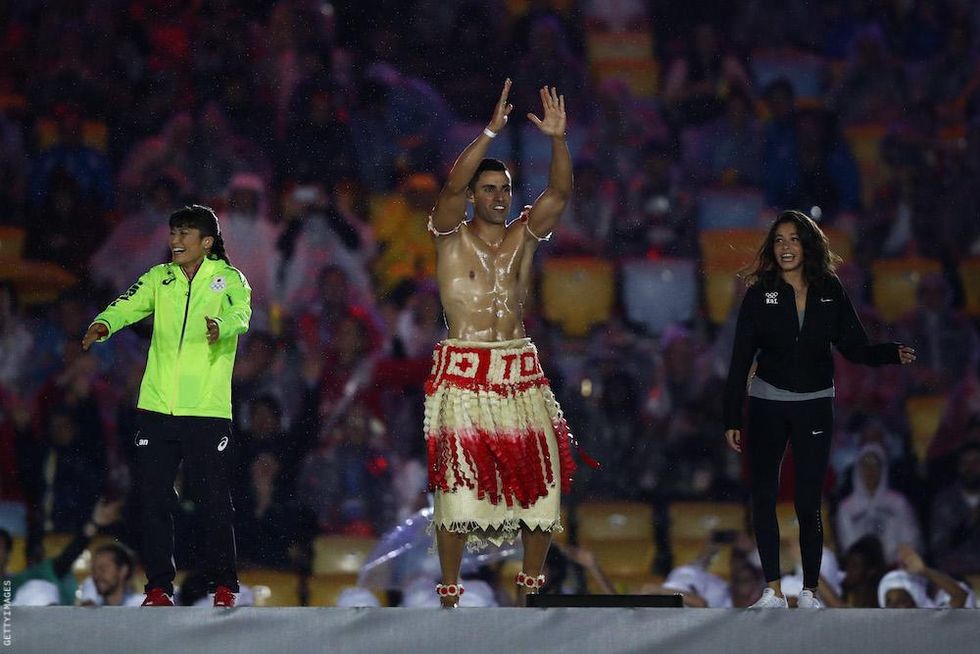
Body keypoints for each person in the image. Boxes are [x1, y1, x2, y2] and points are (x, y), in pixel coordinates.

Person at [425, 80, 578, 607]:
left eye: (504, 189)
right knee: (458, 489)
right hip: (465, 366)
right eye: (487, 189)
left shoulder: (524, 235)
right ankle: (449, 595)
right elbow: (449, 189)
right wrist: (491, 131)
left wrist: (558, 140)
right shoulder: (449, 232)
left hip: (518, 366)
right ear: (472, 196)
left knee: (543, 484)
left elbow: (558, 194)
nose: (497, 196)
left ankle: (529, 592)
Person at [723, 210, 916, 608]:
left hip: (814, 405)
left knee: (809, 500)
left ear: (808, 244)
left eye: (794, 239)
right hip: (766, 404)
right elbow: (740, 358)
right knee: (763, 497)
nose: (786, 247)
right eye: (779, 240)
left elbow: (854, 347)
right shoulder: (761, 292)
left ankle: (810, 590)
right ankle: (772, 590)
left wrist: (889, 354)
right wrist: (730, 417)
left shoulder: (830, 288)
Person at [81, 205, 252, 607]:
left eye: (185, 234)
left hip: (206, 410)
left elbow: (241, 313)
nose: (175, 241)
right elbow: (128, 304)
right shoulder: (160, 279)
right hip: (156, 406)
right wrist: (104, 323)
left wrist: (221, 326)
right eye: (173, 233)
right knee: (154, 499)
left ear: (206, 242)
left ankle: (224, 586)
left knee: (213, 499)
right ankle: (158, 588)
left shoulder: (228, 278)